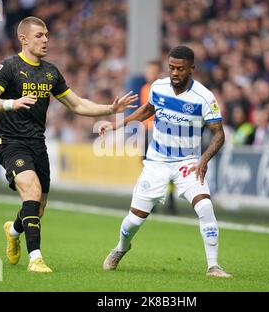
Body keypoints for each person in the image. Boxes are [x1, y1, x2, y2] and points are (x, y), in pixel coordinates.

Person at [0, 16, 137, 273]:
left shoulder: (51, 72)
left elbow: (76, 104)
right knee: (30, 190)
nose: (45, 40)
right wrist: (12, 103)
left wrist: (110, 108)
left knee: (37, 209)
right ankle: (36, 259)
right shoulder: (7, 68)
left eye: (47, 35)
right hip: (10, 141)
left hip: (37, 144)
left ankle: (13, 229)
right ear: (24, 38)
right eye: (40, 35)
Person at [99, 45, 232, 278]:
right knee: (134, 221)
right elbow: (147, 110)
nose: (174, 72)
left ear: (191, 68)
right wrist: (117, 123)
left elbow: (219, 134)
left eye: (180, 69)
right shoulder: (158, 87)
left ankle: (213, 266)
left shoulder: (204, 97)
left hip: (188, 163)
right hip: (157, 162)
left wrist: (203, 158)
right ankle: (121, 248)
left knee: (205, 207)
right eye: (171, 67)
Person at [139, 60, 177, 214]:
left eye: (152, 71)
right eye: (148, 71)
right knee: (150, 167)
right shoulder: (145, 89)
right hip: (147, 132)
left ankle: (170, 198)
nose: (149, 74)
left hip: (162, 132)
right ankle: (153, 199)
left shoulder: (165, 89)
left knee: (167, 166)